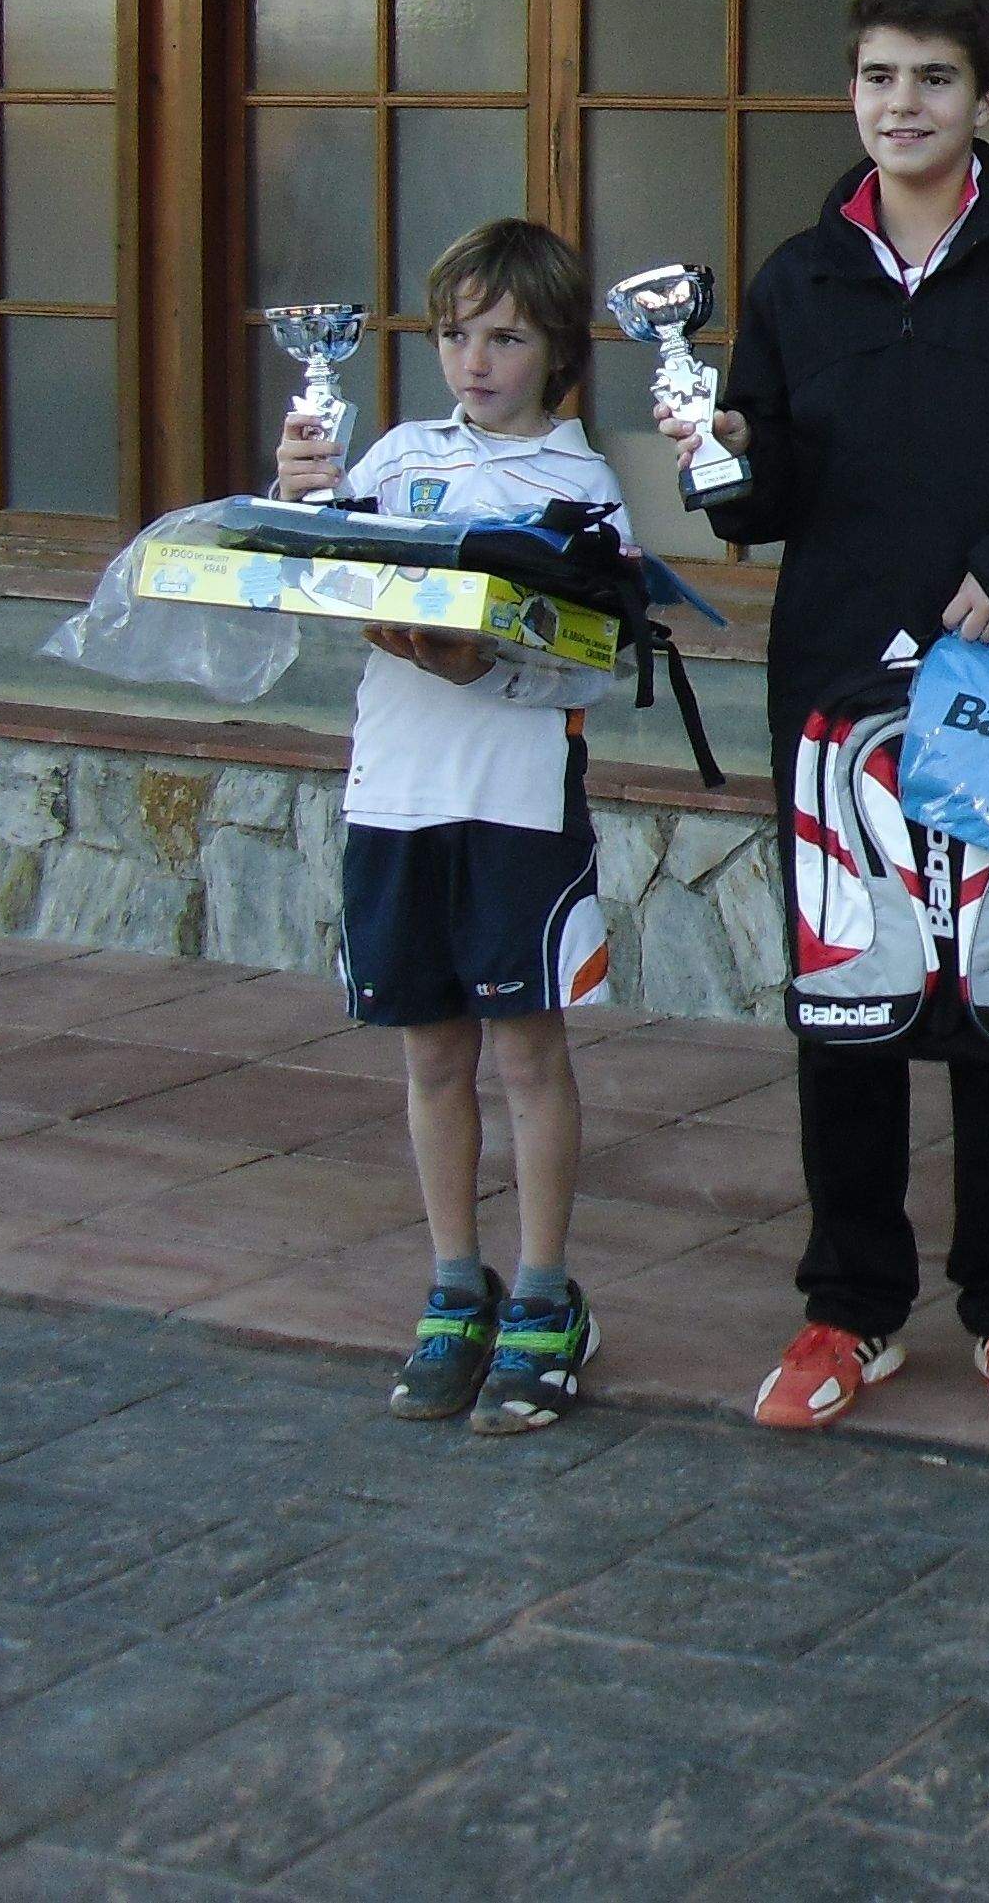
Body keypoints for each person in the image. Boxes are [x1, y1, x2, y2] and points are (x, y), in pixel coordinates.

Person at [671, 0, 989, 1436]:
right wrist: (716, 453)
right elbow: (756, 506)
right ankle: (852, 1309)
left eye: (936, 79)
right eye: (882, 76)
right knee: (853, 1008)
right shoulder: (797, 275)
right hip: (837, 698)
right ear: (853, 89)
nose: (905, 103)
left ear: (987, 97)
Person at [287, 219, 630, 1437]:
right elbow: (337, 569)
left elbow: (591, 660)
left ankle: (545, 1294)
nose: (474, 361)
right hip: (394, 795)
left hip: (517, 805)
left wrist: (481, 655)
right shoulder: (394, 451)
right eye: (454, 334)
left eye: (505, 336)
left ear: (556, 350)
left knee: (527, 1055)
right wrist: (304, 504)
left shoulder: (581, 484)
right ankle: (453, 1285)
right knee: (431, 1055)